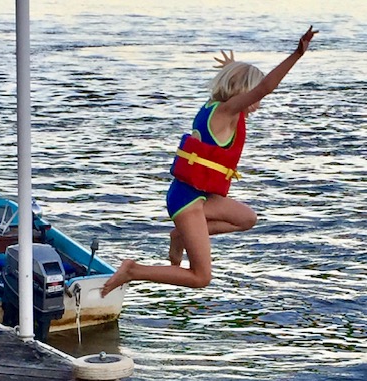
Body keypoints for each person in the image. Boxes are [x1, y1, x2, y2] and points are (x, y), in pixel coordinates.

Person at [101, 26, 318, 298]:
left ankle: (181, 235)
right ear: (243, 92)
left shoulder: (215, 106)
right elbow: (265, 87)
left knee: (247, 218)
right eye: (254, 97)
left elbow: (244, 85)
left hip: (200, 196)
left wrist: (232, 67)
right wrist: (297, 54)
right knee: (200, 277)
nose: (259, 103)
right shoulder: (227, 112)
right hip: (186, 200)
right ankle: (133, 270)